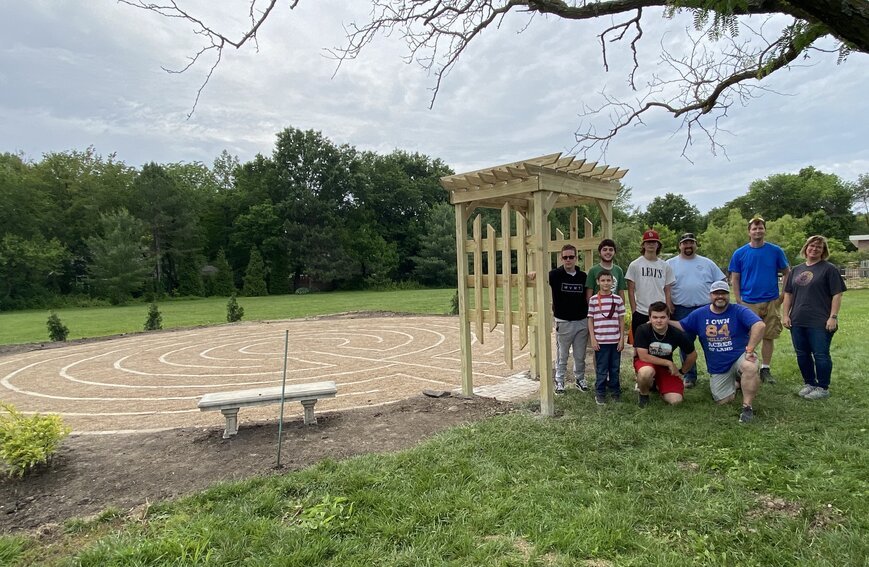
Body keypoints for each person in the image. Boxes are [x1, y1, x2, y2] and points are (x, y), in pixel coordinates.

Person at [674, 281, 765, 423]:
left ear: (728, 295)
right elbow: (681, 325)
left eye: (723, 293)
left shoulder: (738, 310)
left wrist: (750, 350)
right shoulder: (700, 314)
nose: (720, 296)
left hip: (739, 356)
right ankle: (738, 383)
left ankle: (747, 408)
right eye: (716, 293)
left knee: (750, 367)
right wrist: (662, 321)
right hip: (718, 366)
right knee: (723, 401)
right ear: (710, 295)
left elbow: (759, 325)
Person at [781, 235, 846, 400]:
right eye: (812, 245)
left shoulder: (829, 269)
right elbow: (788, 294)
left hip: (819, 320)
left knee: (821, 354)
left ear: (823, 251)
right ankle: (809, 383)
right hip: (797, 319)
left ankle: (823, 387)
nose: (814, 249)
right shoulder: (796, 269)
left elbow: (837, 295)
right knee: (802, 354)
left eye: (819, 247)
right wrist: (785, 315)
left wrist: (833, 317)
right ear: (806, 248)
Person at [728, 216, 790, 384]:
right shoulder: (740, 253)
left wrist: (783, 295)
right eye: (754, 228)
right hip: (748, 301)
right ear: (749, 232)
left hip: (771, 300)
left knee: (768, 336)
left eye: (760, 228)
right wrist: (739, 300)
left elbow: (787, 272)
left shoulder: (775, 251)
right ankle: (744, 368)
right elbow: (735, 277)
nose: (757, 231)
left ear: (764, 230)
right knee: (748, 337)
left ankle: (765, 369)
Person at [666, 233, 726, 388]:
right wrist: (668, 303)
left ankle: (716, 373)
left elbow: (721, 282)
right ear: (679, 245)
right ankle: (690, 376)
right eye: (684, 243)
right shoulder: (670, 264)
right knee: (686, 344)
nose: (688, 246)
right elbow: (665, 286)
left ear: (696, 244)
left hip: (706, 309)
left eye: (691, 243)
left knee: (712, 342)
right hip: (681, 309)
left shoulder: (707, 263)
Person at [632, 301, 697, 407]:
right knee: (646, 373)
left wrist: (682, 371)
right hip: (645, 363)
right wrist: (668, 363)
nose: (658, 321)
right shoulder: (642, 329)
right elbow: (643, 356)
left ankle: (657, 385)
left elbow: (692, 355)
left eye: (662, 317)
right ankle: (644, 394)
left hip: (664, 368)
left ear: (668, 317)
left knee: (676, 400)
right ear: (650, 318)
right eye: (655, 317)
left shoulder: (676, 333)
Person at [548, 244, 590, 394]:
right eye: (565, 257)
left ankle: (580, 379)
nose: (568, 260)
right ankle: (559, 381)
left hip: (581, 321)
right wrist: (533, 273)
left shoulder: (583, 277)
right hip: (563, 322)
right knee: (562, 355)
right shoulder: (554, 275)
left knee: (580, 354)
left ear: (576, 258)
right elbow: (540, 276)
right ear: (561, 258)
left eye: (571, 257)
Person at [626, 229, 675, 338]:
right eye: (648, 242)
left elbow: (667, 290)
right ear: (643, 245)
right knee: (639, 346)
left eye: (654, 242)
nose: (651, 244)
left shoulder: (665, 266)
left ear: (658, 245)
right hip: (641, 311)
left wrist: (667, 310)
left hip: (660, 312)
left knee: (660, 345)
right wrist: (634, 311)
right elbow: (630, 290)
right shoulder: (635, 265)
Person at [587, 269, 626, 405]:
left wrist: (621, 339)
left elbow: (621, 320)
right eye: (603, 280)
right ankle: (600, 392)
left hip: (615, 341)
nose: (605, 283)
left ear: (612, 282)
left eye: (608, 280)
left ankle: (615, 391)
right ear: (598, 282)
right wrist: (593, 338)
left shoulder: (617, 299)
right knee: (602, 368)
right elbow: (590, 320)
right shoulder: (593, 300)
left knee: (614, 368)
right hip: (600, 341)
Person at [586, 238, 627, 304]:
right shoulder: (593, 270)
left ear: (615, 253)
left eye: (611, 250)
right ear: (600, 253)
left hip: (614, 309)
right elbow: (589, 295)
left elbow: (621, 292)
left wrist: (621, 310)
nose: (608, 252)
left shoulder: (618, 270)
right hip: (598, 309)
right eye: (605, 250)